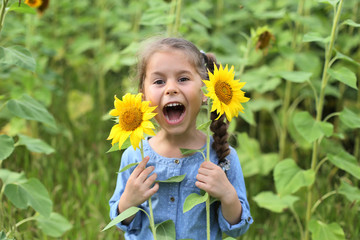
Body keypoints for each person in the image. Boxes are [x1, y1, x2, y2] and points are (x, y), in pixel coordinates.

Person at [109, 37, 253, 239]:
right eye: (159, 81)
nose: (171, 88)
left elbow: (238, 228)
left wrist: (228, 195)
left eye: (183, 79)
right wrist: (128, 201)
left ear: (205, 90)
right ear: (143, 96)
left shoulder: (222, 158)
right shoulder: (135, 156)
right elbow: (123, 224)